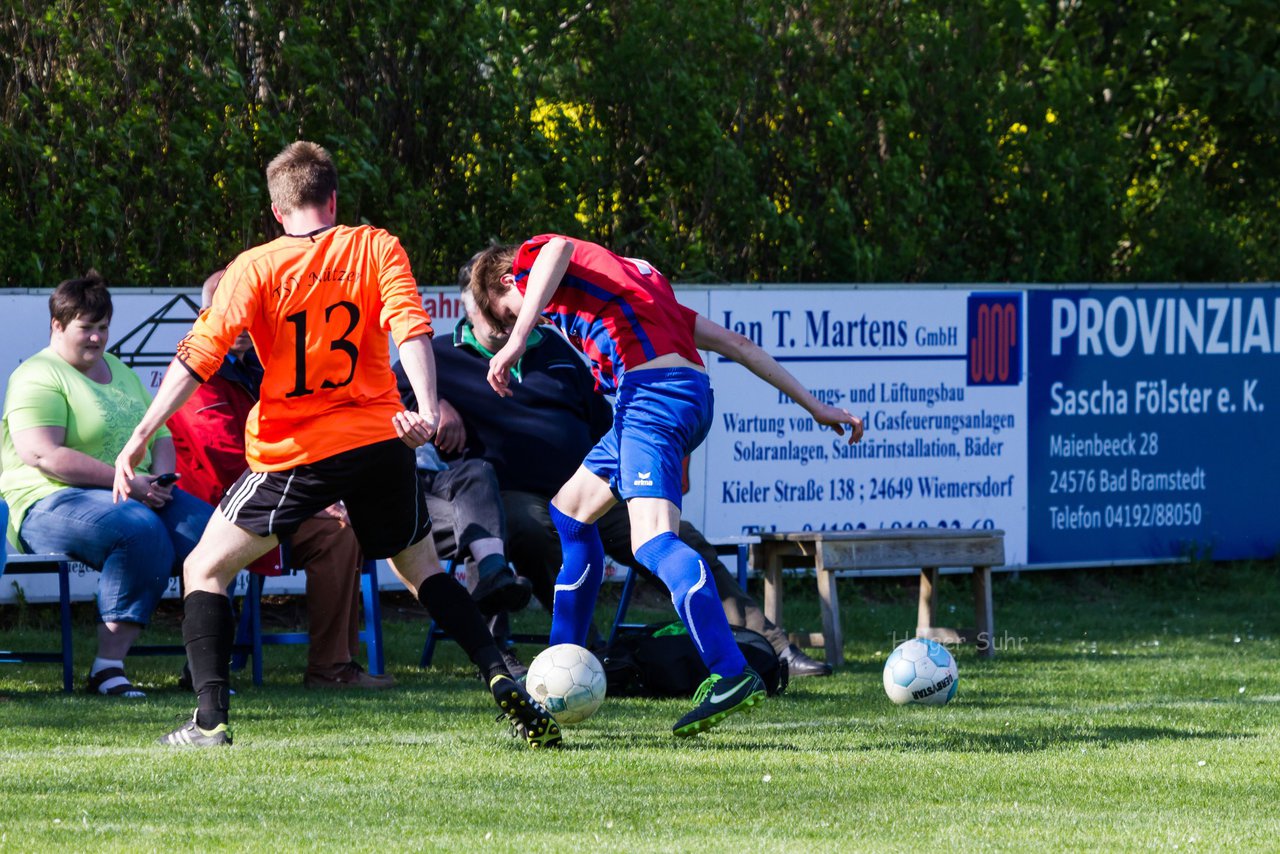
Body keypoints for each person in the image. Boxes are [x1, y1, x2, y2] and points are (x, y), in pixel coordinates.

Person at [114, 142, 559, 748]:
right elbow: (411, 327)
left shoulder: (254, 266)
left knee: (203, 567)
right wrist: (426, 409)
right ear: (333, 199)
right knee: (422, 570)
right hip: (382, 438)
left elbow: (198, 355)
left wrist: (140, 436)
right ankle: (501, 676)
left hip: (298, 449)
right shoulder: (376, 245)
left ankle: (210, 721)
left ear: (276, 211)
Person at [469, 236, 863, 736]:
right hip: (664, 400)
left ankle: (729, 672)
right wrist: (816, 407)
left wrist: (516, 339)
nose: (527, 318)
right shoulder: (641, 285)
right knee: (570, 512)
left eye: (509, 312)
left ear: (510, 281)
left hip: (652, 397)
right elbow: (738, 346)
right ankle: (555, 684)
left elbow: (559, 247)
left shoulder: (534, 263)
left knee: (651, 541)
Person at [397, 282, 833, 678]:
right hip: (510, 495)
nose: (513, 326)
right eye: (502, 319)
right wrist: (430, 400)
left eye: (518, 315)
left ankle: (773, 647)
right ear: (472, 311)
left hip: (590, 481)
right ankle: (585, 656)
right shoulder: (437, 358)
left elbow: (608, 418)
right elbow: (388, 399)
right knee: (533, 528)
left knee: (679, 538)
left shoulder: (554, 348)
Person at [166, 268, 393, 690]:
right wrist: (311, 490)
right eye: (228, 312)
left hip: (276, 496)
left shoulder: (267, 363)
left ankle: (336, 665)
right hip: (221, 508)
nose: (238, 322)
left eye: (246, 310)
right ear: (205, 314)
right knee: (335, 531)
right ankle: (329, 669)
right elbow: (228, 453)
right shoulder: (197, 375)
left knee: (345, 530)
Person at [0, 272, 214, 698]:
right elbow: (44, 455)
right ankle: (107, 668)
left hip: (130, 492)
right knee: (138, 529)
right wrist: (131, 485)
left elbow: (161, 436)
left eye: (102, 327)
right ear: (57, 326)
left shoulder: (119, 370)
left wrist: (162, 480)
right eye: (86, 327)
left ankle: (203, 664)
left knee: (213, 535)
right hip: (46, 500)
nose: (97, 338)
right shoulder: (37, 375)